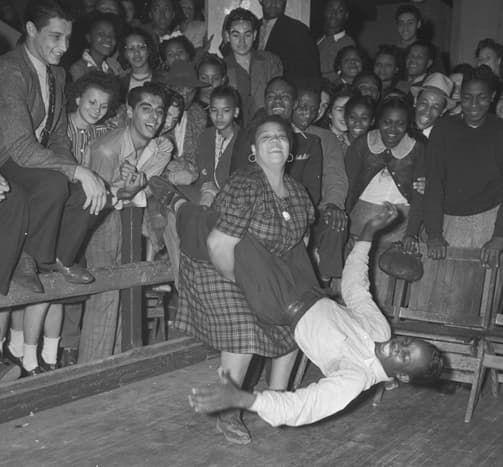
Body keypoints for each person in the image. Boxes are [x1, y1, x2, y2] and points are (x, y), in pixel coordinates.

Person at [186, 202, 443, 428]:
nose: (400, 347)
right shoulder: (381, 331)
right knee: (283, 224)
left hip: (280, 301)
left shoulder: (354, 377)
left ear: (403, 376)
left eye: (406, 357)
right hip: (308, 283)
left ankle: (179, 209)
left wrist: (244, 399)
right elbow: (356, 289)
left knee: (233, 235)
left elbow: (305, 406)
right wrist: (368, 233)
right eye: (408, 343)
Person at [161, 114, 314, 444]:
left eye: (281, 137)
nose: (274, 141)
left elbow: (300, 244)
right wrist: (246, 285)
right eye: (265, 138)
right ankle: (228, 410)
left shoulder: (299, 194)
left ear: (290, 150)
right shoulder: (246, 184)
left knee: (292, 321)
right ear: (254, 151)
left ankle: (277, 401)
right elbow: (218, 245)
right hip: (211, 260)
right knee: (244, 328)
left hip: (255, 264)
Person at [0, 0, 108, 376]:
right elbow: (19, 147)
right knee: (53, 183)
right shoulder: (10, 70)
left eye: (68, 38)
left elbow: (59, 136)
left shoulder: (58, 76)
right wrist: (73, 170)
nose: (64, 47)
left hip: (35, 160)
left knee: (88, 192)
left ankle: (58, 258)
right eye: (55, 37)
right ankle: (33, 259)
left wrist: (77, 171)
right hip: (7, 160)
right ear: (30, 30)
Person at [79, 82, 172, 363]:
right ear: (130, 112)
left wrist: (134, 189)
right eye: (146, 109)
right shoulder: (107, 149)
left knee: (126, 293)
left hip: (131, 220)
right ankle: (91, 371)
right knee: (106, 295)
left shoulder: (159, 149)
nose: (154, 117)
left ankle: (117, 367)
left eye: (159, 110)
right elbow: (92, 201)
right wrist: (124, 192)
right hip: (100, 221)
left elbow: (148, 186)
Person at [424, 66, 503, 267]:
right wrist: (434, 233)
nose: (474, 104)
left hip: (490, 223)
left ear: (493, 96)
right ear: (460, 96)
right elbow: (434, 183)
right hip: (448, 222)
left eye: (482, 97)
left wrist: (499, 238)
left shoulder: (500, 131)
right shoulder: (443, 128)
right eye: (467, 97)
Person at [292, 87, 348, 293]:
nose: (307, 113)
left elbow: (336, 177)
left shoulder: (326, 138)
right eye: (301, 106)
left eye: (313, 109)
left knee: (336, 221)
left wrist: (333, 204)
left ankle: (323, 284)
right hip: (284, 210)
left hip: (316, 209)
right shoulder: (277, 132)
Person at [223, 8, 283, 127]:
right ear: (227, 36)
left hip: (266, 128)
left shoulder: (271, 62)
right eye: (236, 35)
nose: (242, 42)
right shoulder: (221, 68)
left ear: (255, 35)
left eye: (247, 35)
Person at [257, 0, 321, 90]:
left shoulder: (298, 30)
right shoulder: (250, 28)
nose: (274, 3)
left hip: (285, 95)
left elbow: (312, 74)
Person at [69, 12, 120, 81]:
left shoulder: (109, 71)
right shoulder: (79, 69)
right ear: (89, 37)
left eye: (112, 35)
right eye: (101, 34)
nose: (108, 38)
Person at [317, 0, 355, 83]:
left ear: (346, 15)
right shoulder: (317, 41)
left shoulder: (349, 45)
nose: (334, 13)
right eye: (330, 9)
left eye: (340, 10)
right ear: (324, 12)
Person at [119, 27, 161, 100]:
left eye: (141, 47)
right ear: (125, 53)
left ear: (149, 50)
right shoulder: (119, 83)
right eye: (131, 48)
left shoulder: (164, 80)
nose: (136, 53)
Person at [411, 72, 455, 139]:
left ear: (443, 111)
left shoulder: (444, 139)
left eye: (435, 107)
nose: (427, 111)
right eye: (424, 103)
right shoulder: (398, 130)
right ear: (415, 101)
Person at [196, 54, 227, 126]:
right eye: (204, 78)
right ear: (197, 78)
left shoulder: (229, 105)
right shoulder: (191, 108)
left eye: (215, 78)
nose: (210, 83)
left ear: (223, 80)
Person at [327, 84, 354, 154]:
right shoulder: (320, 138)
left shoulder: (356, 141)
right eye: (340, 110)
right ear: (329, 113)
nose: (345, 115)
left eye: (349, 110)